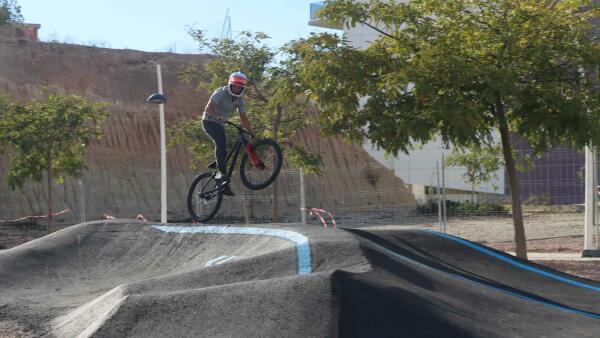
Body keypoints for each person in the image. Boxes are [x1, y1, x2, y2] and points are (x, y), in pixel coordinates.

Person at [202, 71, 254, 196]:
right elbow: (208, 108)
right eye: (234, 86)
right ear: (230, 85)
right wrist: (218, 117)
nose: (236, 89)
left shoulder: (240, 100)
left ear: (242, 88)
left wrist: (251, 132)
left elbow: (244, 117)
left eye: (239, 87)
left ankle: (221, 173)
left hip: (220, 125)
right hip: (209, 121)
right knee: (220, 143)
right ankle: (221, 173)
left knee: (228, 145)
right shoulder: (221, 92)